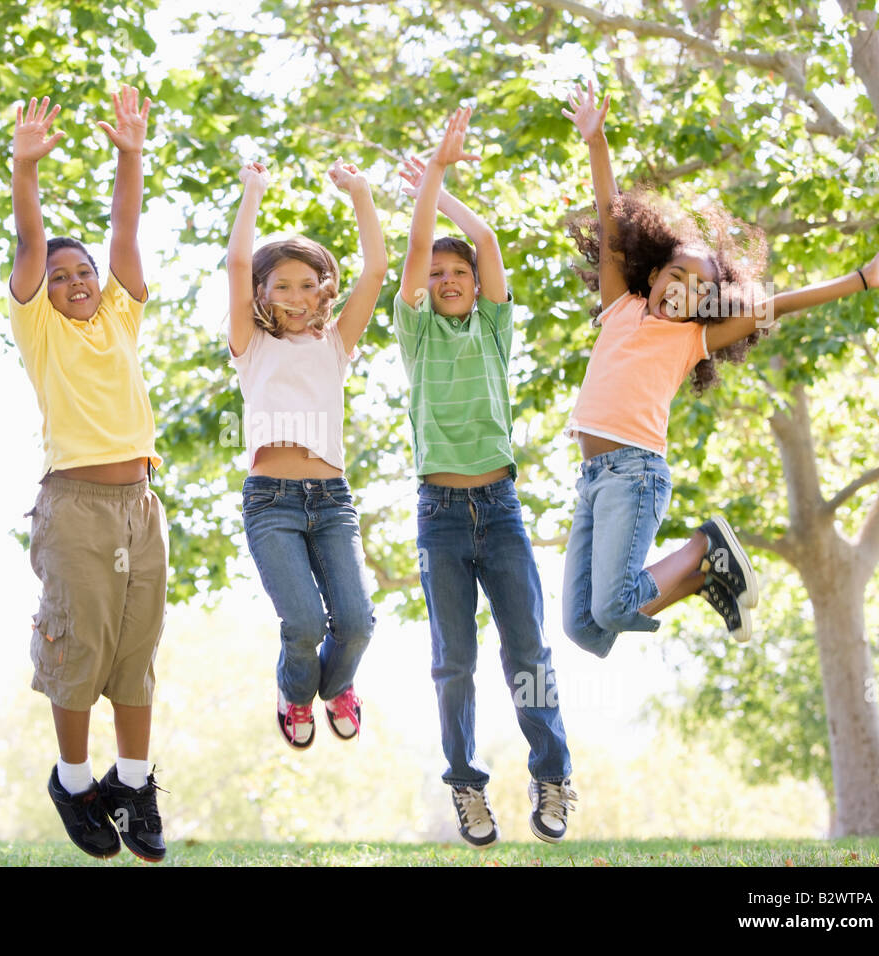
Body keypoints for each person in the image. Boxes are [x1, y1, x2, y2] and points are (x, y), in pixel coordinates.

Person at [560, 79, 879, 653]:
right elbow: (610, 212)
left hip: (636, 474)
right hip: (593, 480)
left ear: (708, 304)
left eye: (701, 288)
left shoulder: (690, 341)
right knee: (584, 628)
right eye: (678, 276)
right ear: (653, 275)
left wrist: (861, 280)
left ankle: (704, 545)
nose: (685, 290)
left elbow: (776, 305)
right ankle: (702, 578)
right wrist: (596, 142)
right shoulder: (619, 305)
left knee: (614, 605)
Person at [395, 108, 575, 846]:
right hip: (440, 512)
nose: (445, 280)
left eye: (457, 271)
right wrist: (427, 188)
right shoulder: (415, 333)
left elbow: (490, 241)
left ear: (475, 283)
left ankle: (552, 775)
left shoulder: (496, 330)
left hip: (500, 509)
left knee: (527, 648)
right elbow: (412, 252)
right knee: (454, 660)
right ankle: (467, 787)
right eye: (436, 274)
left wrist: (446, 190)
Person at [8, 87, 168, 861]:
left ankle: (134, 785)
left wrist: (130, 154)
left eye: (86, 273)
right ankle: (74, 786)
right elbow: (30, 240)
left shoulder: (119, 315)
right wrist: (25, 169)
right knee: (77, 651)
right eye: (62, 273)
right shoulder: (40, 327)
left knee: (136, 652)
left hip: (142, 503)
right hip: (75, 504)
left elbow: (125, 228)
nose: (76, 281)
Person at [226, 158, 386, 749]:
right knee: (302, 624)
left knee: (356, 623)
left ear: (325, 289)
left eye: (308, 284)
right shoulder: (251, 346)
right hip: (271, 503)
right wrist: (253, 192)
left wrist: (361, 194)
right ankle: (295, 696)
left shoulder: (336, 343)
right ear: (262, 293)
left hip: (332, 501)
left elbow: (376, 270)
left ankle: (338, 687)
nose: (296, 296)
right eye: (281, 285)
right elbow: (238, 261)